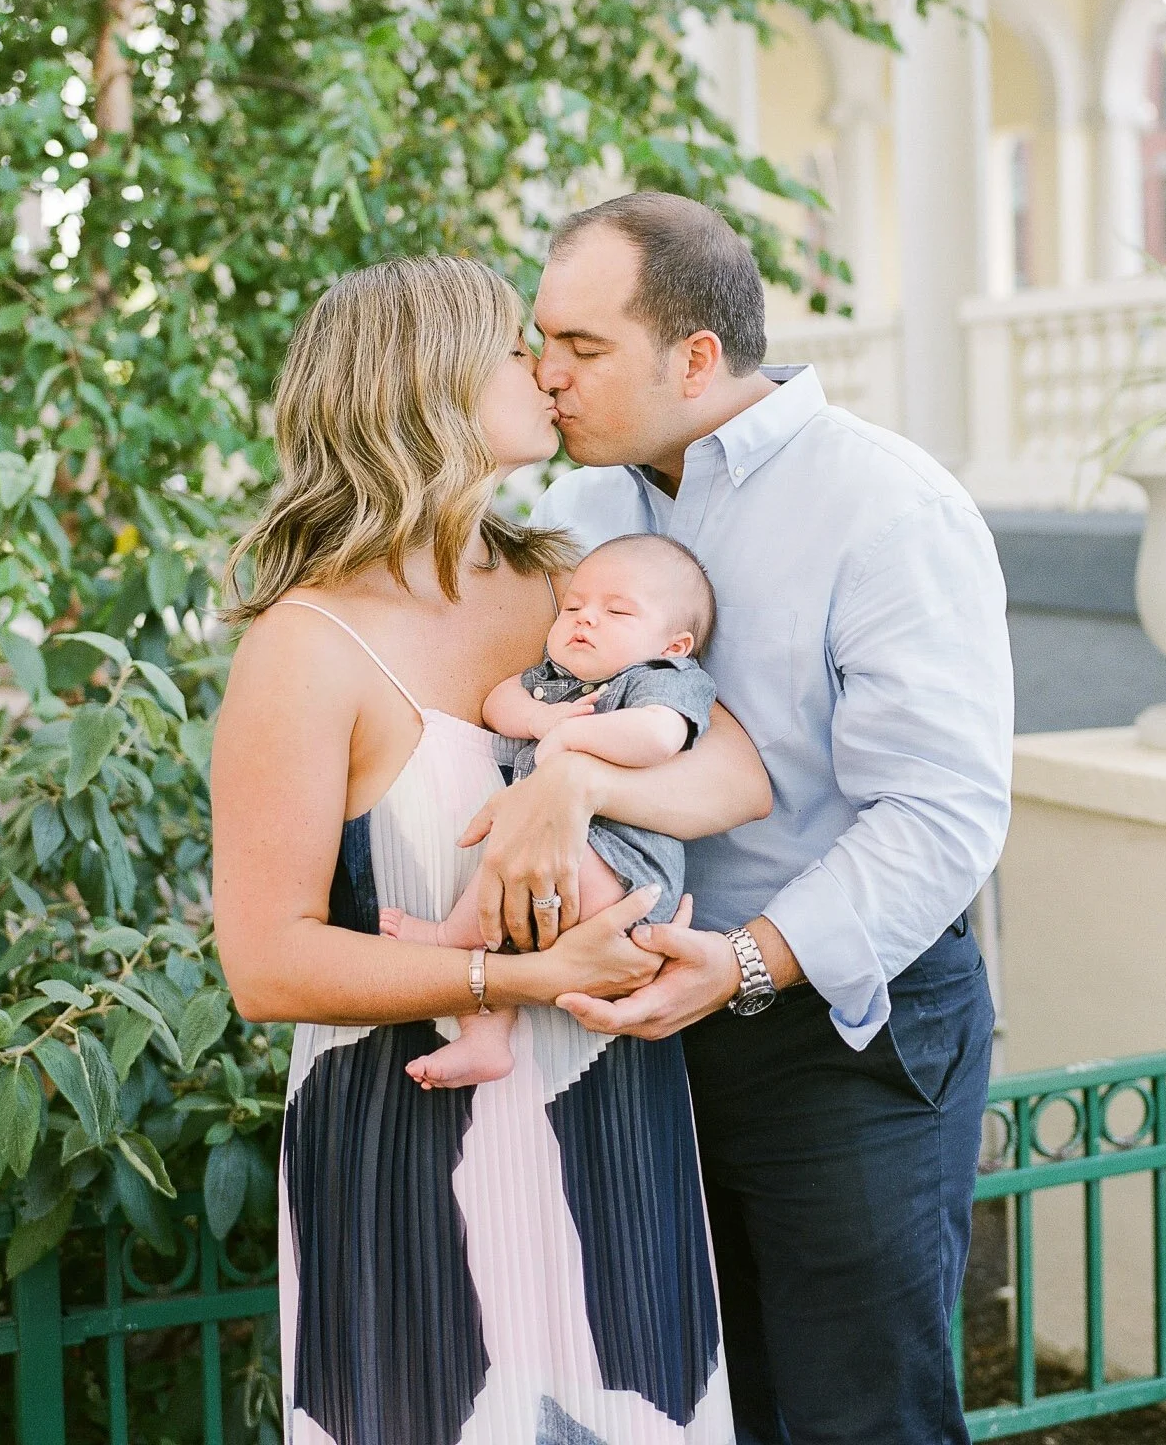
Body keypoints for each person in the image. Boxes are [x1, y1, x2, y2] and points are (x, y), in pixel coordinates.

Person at [455, 192, 1014, 1445]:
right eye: (542, 341)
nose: (546, 376)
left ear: (695, 358)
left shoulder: (887, 505)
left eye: (583, 349)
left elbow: (941, 812)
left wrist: (751, 962)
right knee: (696, 1414)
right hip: (640, 1035)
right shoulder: (588, 518)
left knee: (856, 1420)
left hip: (843, 1039)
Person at [210, 255, 769, 1445]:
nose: (545, 368)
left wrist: (566, 777)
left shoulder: (572, 589)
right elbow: (265, 965)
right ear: (429, 385)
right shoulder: (304, 648)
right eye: (516, 346)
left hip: (611, 1123)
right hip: (414, 1145)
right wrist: (511, 980)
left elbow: (737, 775)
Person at [378, 531, 717, 1090]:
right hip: (568, 864)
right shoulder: (554, 682)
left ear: (674, 644)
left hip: (622, 870)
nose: (586, 620)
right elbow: (497, 702)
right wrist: (541, 720)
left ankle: (447, 940)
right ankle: (486, 1041)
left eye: (616, 611)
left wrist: (571, 743)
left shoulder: (661, 680)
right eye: (576, 607)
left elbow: (658, 737)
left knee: (511, 862)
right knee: (512, 895)